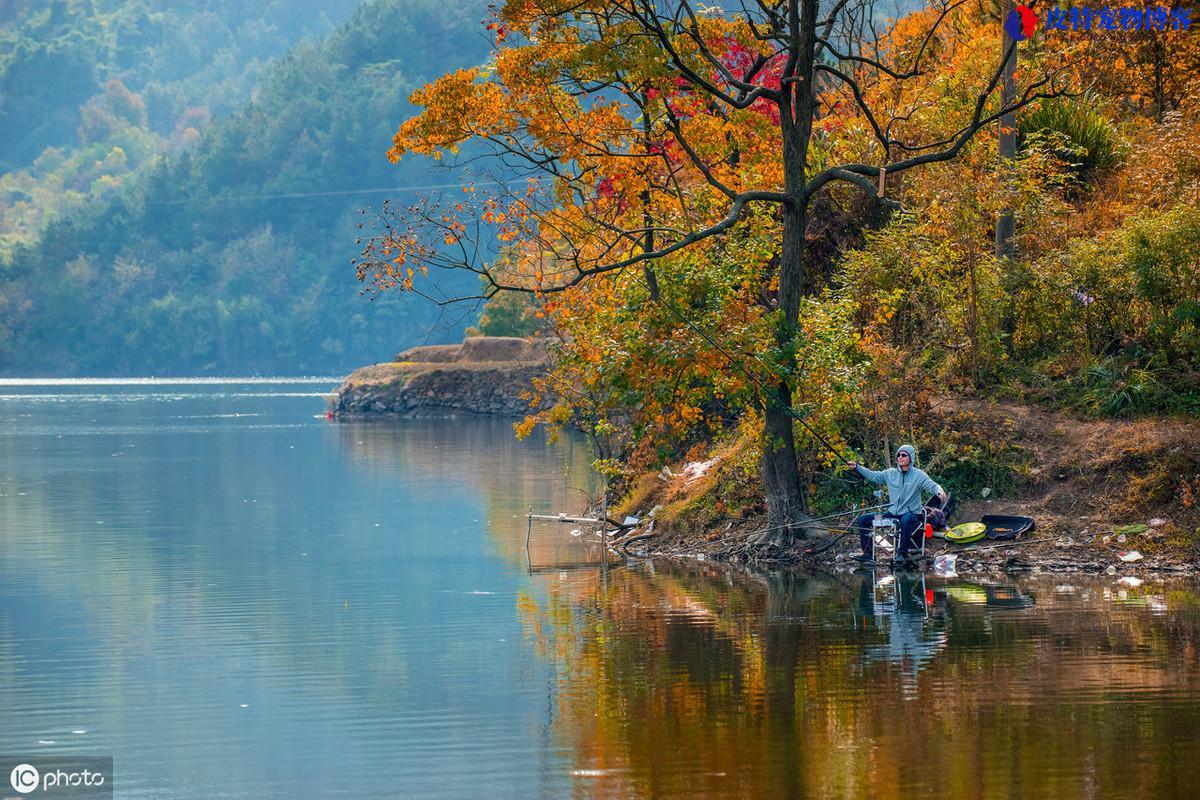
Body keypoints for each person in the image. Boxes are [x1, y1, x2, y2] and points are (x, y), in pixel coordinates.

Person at [848, 444, 947, 562]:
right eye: (898, 455)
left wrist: (940, 491)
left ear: (911, 458)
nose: (900, 457)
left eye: (903, 455)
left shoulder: (918, 475)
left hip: (911, 514)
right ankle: (868, 554)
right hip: (891, 514)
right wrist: (857, 467)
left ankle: (902, 553)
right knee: (863, 519)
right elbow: (873, 475)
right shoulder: (890, 473)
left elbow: (932, 485)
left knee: (906, 519)